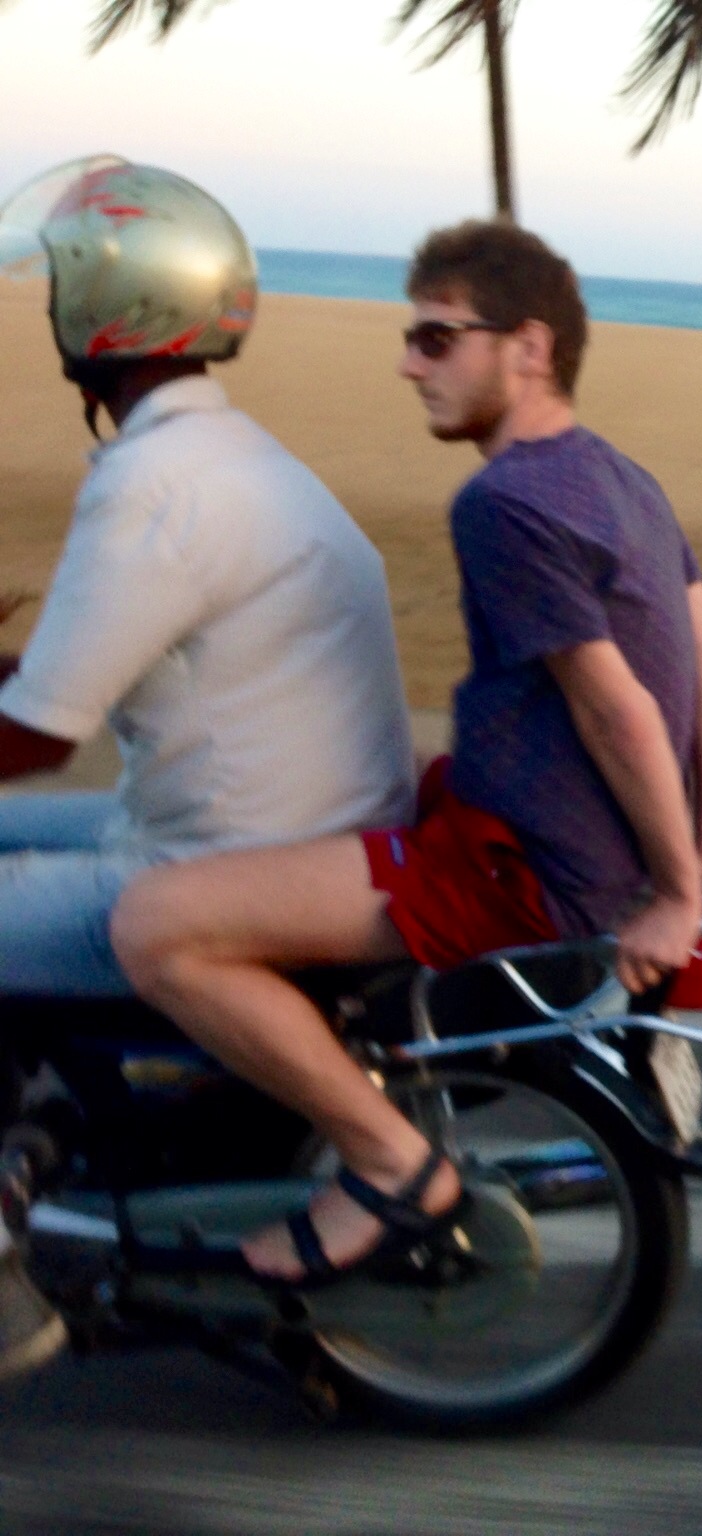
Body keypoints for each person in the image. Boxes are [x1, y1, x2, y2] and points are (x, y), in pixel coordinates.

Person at [112, 220, 702, 1287]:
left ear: (529, 348)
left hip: (516, 872)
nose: (410, 364)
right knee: (330, 793)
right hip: (527, 829)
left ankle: (389, 1166)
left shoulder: (505, 505)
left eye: (436, 338)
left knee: (154, 928)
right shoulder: (620, 477)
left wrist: (680, 896)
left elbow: (618, 709)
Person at [0, 159, 414, 1374]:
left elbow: (40, 736)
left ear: (112, 308)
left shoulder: (157, 487)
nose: (51, 306)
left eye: (65, 284)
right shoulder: (229, 458)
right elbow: (88, 663)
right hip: (275, 820)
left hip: (229, 854)